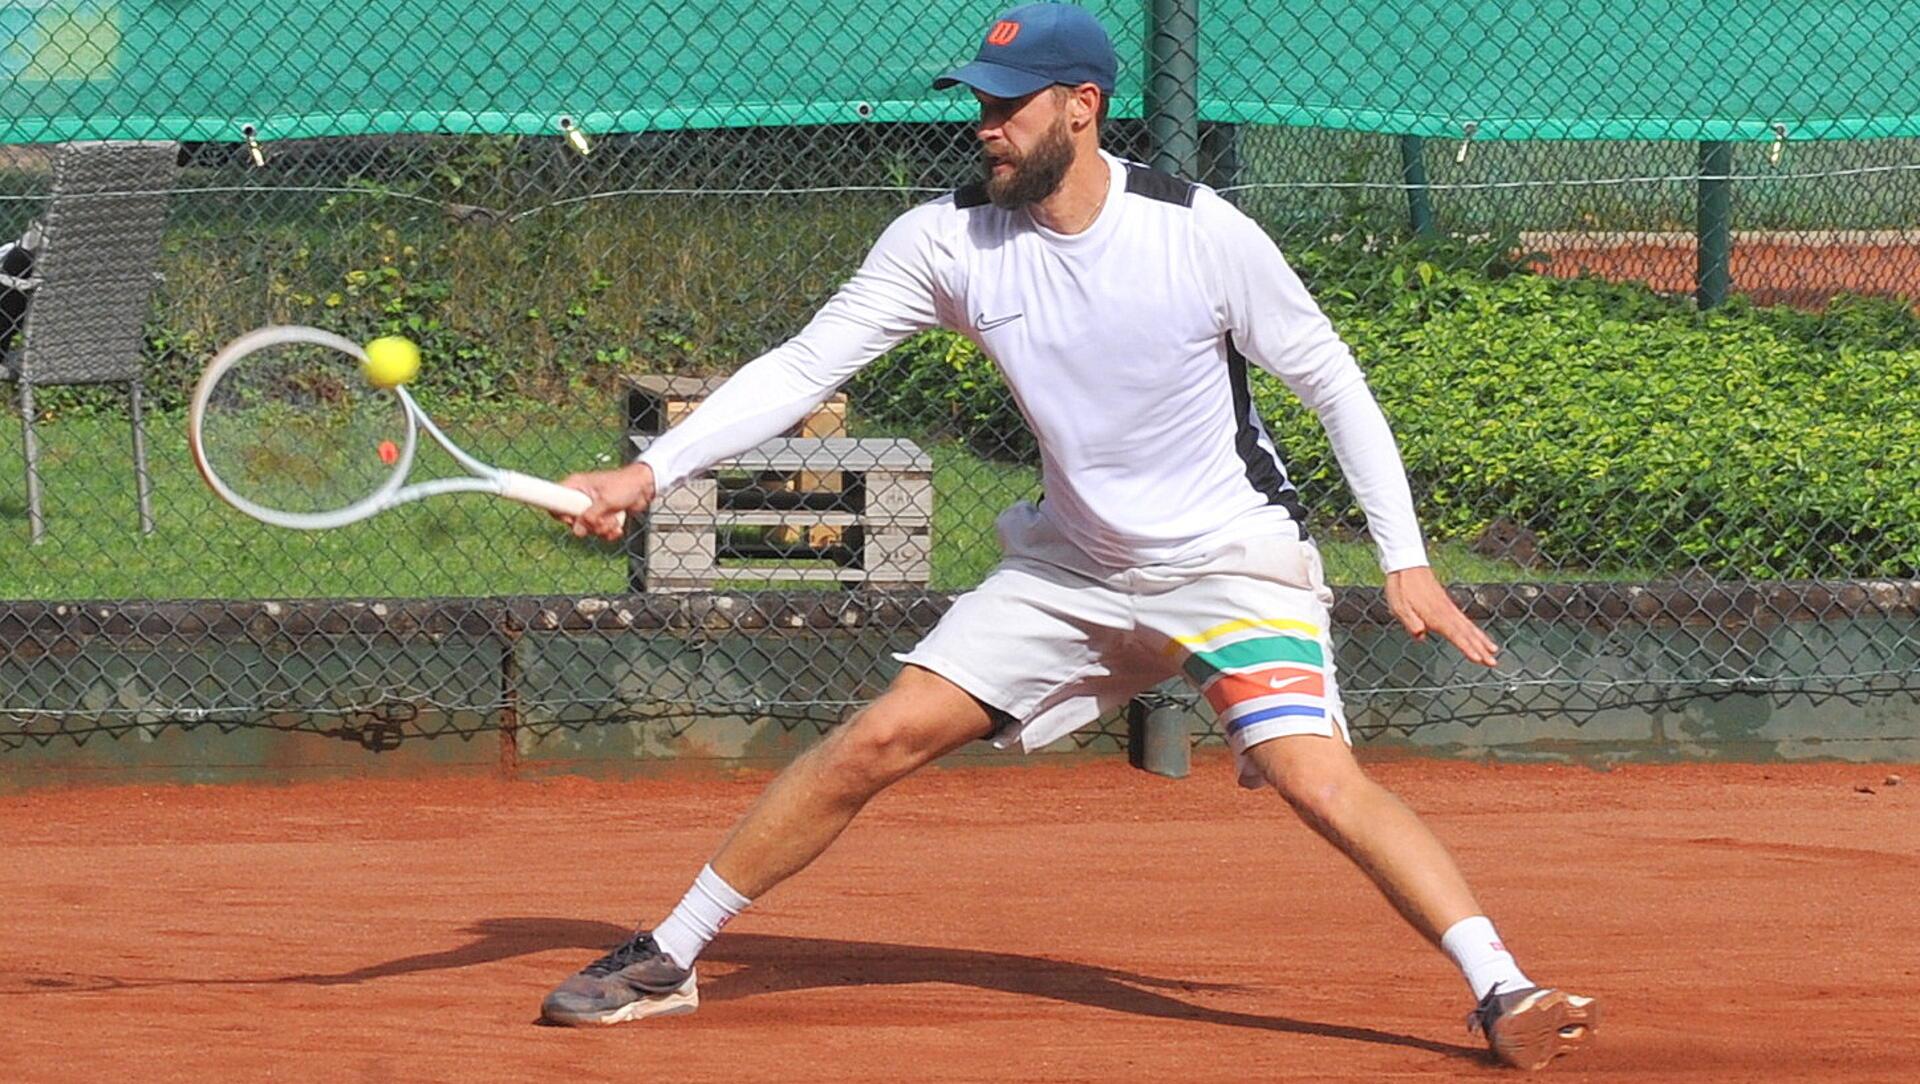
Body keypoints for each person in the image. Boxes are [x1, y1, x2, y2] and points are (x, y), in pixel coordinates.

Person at [544, 2, 1596, 1070]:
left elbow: (1333, 382)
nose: (985, 126)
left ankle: (1502, 986)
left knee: (1313, 777)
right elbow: (805, 368)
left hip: (1231, 563)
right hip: (1071, 566)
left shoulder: (1198, 234)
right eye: (978, 105)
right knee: (878, 736)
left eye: (1008, 106)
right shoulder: (945, 241)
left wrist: (1403, 558)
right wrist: (648, 471)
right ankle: (669, 958)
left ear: (1083, 108)